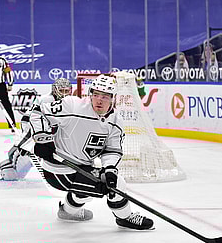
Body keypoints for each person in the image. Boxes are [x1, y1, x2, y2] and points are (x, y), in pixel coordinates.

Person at [29, 74, 154, 230]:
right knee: (105, 184)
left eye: (105, 96)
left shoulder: (115, 122)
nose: (99, 100)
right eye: (96, 94)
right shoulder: (73, 106)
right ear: (90, 94)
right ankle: (125, 218)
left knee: (106, 182)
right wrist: (42, 139)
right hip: (57, 168)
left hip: (81, 168)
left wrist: (109, 169)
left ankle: (68, 211)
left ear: (113, 98)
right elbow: (38, 112)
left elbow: (111, 149)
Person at [0, 78, 72, 181]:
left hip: (47, 128)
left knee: (36, 152)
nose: (64, 94)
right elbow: (33, 121)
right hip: (30, 124)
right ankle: (9, 162)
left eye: (66, 91)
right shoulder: (47, 100)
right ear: (55, 90)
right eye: (61, 91)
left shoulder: (69, 102)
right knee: (25, 149)